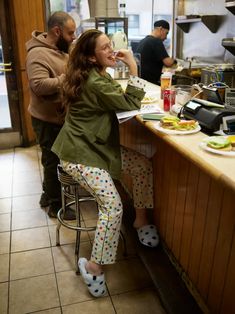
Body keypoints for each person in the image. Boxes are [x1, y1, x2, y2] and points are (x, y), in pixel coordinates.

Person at [52, 29, 159, 297]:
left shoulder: (97, 74)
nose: (112, 51)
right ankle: (94, 267)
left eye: (111, 45)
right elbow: (129, 101)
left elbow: (119, 99)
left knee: (142, 165)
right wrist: (132, 64)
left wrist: (117, 67)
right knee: (112, 206)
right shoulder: (95, 81)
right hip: (79, 154)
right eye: (105, 48)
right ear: (90, 57)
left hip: (96, 147)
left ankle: (141, 221)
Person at [25, 11, 76, 219]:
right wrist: (67, 78)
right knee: (52, 161)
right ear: (57, 31)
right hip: (46, 120)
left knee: (53, 159)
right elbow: (38, 85)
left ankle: (47, 195)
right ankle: (56, 205)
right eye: (70, 33)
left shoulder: (61, 49)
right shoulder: (38, 54)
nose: (73, 37)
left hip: (59, 117)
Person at [136, 19, 177, 85]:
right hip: (149, 82)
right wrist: (176, 62)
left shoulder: (143, 41)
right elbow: (168, 63)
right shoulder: (156, 41)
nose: (166, 37)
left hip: (140, 81)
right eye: (166, 33)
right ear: (161, 29)